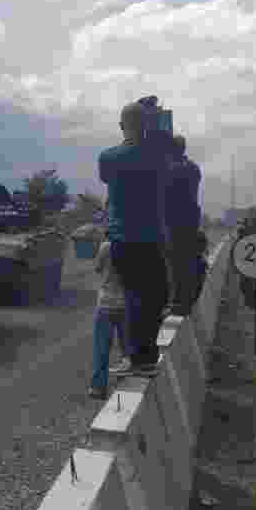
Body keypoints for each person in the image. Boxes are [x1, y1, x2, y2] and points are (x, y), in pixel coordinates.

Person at [98, 96, 173, 376]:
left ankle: (136, 359)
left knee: (132, 297)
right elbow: (164, 139)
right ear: (145, 126)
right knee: (153, 298)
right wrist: (151, 116)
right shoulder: (157, 156)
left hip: (122, 238)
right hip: (151, 238)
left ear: (121, 126)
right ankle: (145, 358)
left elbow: (107, 179)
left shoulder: (108, 158)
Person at [164, 134, 203, 316]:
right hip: (190, 222)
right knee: (186, 263)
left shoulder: (170, 169)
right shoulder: (194, 168)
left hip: (174, 222)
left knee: (173, 264)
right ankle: (185, 301)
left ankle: (176, 301)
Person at [89, 235, 128, 399]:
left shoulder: (106, 246)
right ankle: (126, 384)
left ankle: (99, 388)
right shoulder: (136, 246)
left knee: (102, 349)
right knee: (127, 350)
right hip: (126, 305)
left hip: (105, 304)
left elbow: (97, 268)